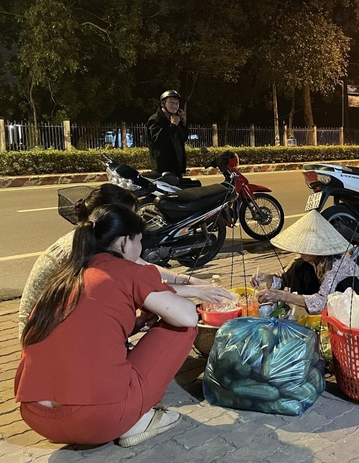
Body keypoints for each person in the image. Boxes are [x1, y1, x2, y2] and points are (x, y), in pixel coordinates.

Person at [15, 205, 198, 446]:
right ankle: (139, 421)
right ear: (124, 242)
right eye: (139, 241)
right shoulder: (128, 271)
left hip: (37, 417)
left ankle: (126, 416)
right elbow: (187, 316)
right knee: (185, 326)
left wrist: (135, 323)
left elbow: (85, 329)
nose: (140, 248)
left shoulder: (64, 276)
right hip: (96, 420)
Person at [18, 184, 233, 337]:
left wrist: (190, 282)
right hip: (44, 332)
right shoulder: (87, 251)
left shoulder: (93, 240)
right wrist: (195, 290)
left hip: (47, 335)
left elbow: (143, 269)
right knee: (177, 328)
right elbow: (145, 287)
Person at [251, 210, 359, 315]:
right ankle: (299, 315)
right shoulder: (306, 260)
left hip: (347, 304)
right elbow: (284, 279)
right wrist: (266, 278)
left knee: (348, 285)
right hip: (322, 296)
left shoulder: (335, 264)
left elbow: (322, 301)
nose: (300, 251)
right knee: (299, 267)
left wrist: (282, 296)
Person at [146, 89, 188, 177]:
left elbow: (183, 139)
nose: (175, 106)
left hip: (177, 167)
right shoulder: (155, 119)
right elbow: (158, 140)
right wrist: (172, 126)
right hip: (163, 168)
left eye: (177, 103)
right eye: (171, 102)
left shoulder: (175, 119)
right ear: (163, 103)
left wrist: (184, 123)